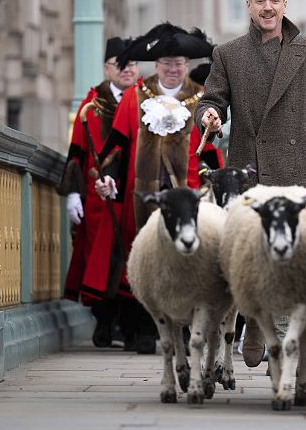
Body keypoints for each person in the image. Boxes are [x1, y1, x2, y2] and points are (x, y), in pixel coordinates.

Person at [195, 0, 306, 368]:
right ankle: (255, 322)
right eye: (260, 0)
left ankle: (281, 337)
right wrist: (209, 115)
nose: (268, 7)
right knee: (251, 256)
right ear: (248, 5)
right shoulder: (228, 54)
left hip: (297, 173)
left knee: (294, 260)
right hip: (250, 173)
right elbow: (211, 100)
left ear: (284, 4)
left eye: (274, 0)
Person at [93, 23, 223, 353]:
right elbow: (116, 146)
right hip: (143, 193)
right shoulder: (136, 96)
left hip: (187, 194)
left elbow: (209, 151)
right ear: (156, 65)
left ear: (187, 65)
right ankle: (142, 330)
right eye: (166, 63)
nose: (173, 69)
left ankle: (183, 330)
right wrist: (108, 177)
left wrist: (215, 182)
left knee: (186, 259)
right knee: (144, 259)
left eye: (179, 62)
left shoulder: (200, 99)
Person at [58, 37, 139, 348]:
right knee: (100, 259)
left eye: (132, 64)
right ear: (108, 69)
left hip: (131, 194)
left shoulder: (147, 99)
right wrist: (73, 194)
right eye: (121, 64)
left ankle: (130, 326)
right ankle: (104, 322)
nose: (128, 69)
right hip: (99, 198)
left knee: (130, 259)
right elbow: (76, 152)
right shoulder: (91, 105)